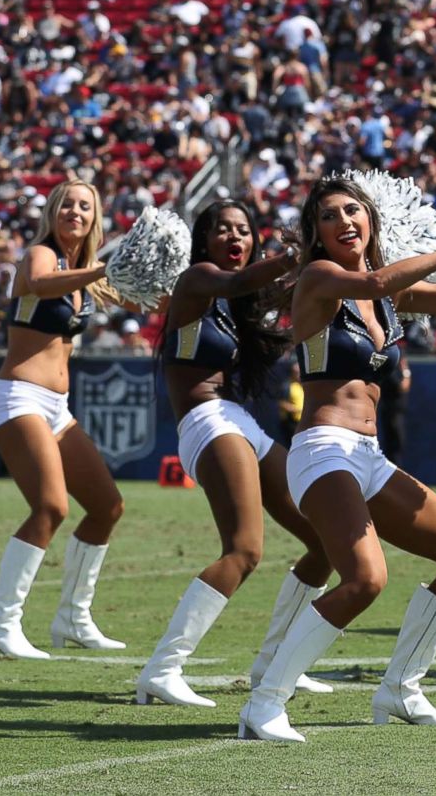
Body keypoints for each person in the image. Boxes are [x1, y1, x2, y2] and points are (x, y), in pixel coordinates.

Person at [239, 176, 436, 743]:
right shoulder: (320, 277)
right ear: (317, 234)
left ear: (372, 220)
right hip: (322, 451)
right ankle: (265, 701)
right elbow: (379, 276)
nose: (344, 221)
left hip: (369, 457)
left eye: (353, 210)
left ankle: (401, 688)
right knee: (365, 577)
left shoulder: (387, 298)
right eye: (329, 216)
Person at [135, 201, 335, 707]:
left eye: (243, 230)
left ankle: (275, 662)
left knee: (325, 540)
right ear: (204, 240)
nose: (234, 236)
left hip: (238, 420)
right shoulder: (199, 280)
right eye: (223, 228)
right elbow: (234, 283)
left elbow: (283, 301)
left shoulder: (238, 304)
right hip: (205, 421)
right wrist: (304, 252)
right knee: (245, 550)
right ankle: (164, 668)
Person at [0, 179, 127, 659]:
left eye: (85, 206)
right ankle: (1, 624)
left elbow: (141, 302)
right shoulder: (40, 255)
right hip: (17, 398)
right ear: (53, 211)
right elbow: (42, 285)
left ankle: (72, 617)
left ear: (94, 218)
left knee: (106, 506)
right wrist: (104, 270)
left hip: (57, 410)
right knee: (50, 508)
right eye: (68, 203)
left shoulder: (85, 270)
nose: (75, 211)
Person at [278, 363, 303, 446]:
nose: (299, 375)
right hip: (291, 423)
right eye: (297, 373)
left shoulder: (303, 385)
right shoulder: (287, 386)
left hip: (302, 421)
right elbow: (280, 402)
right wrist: (294, 409)